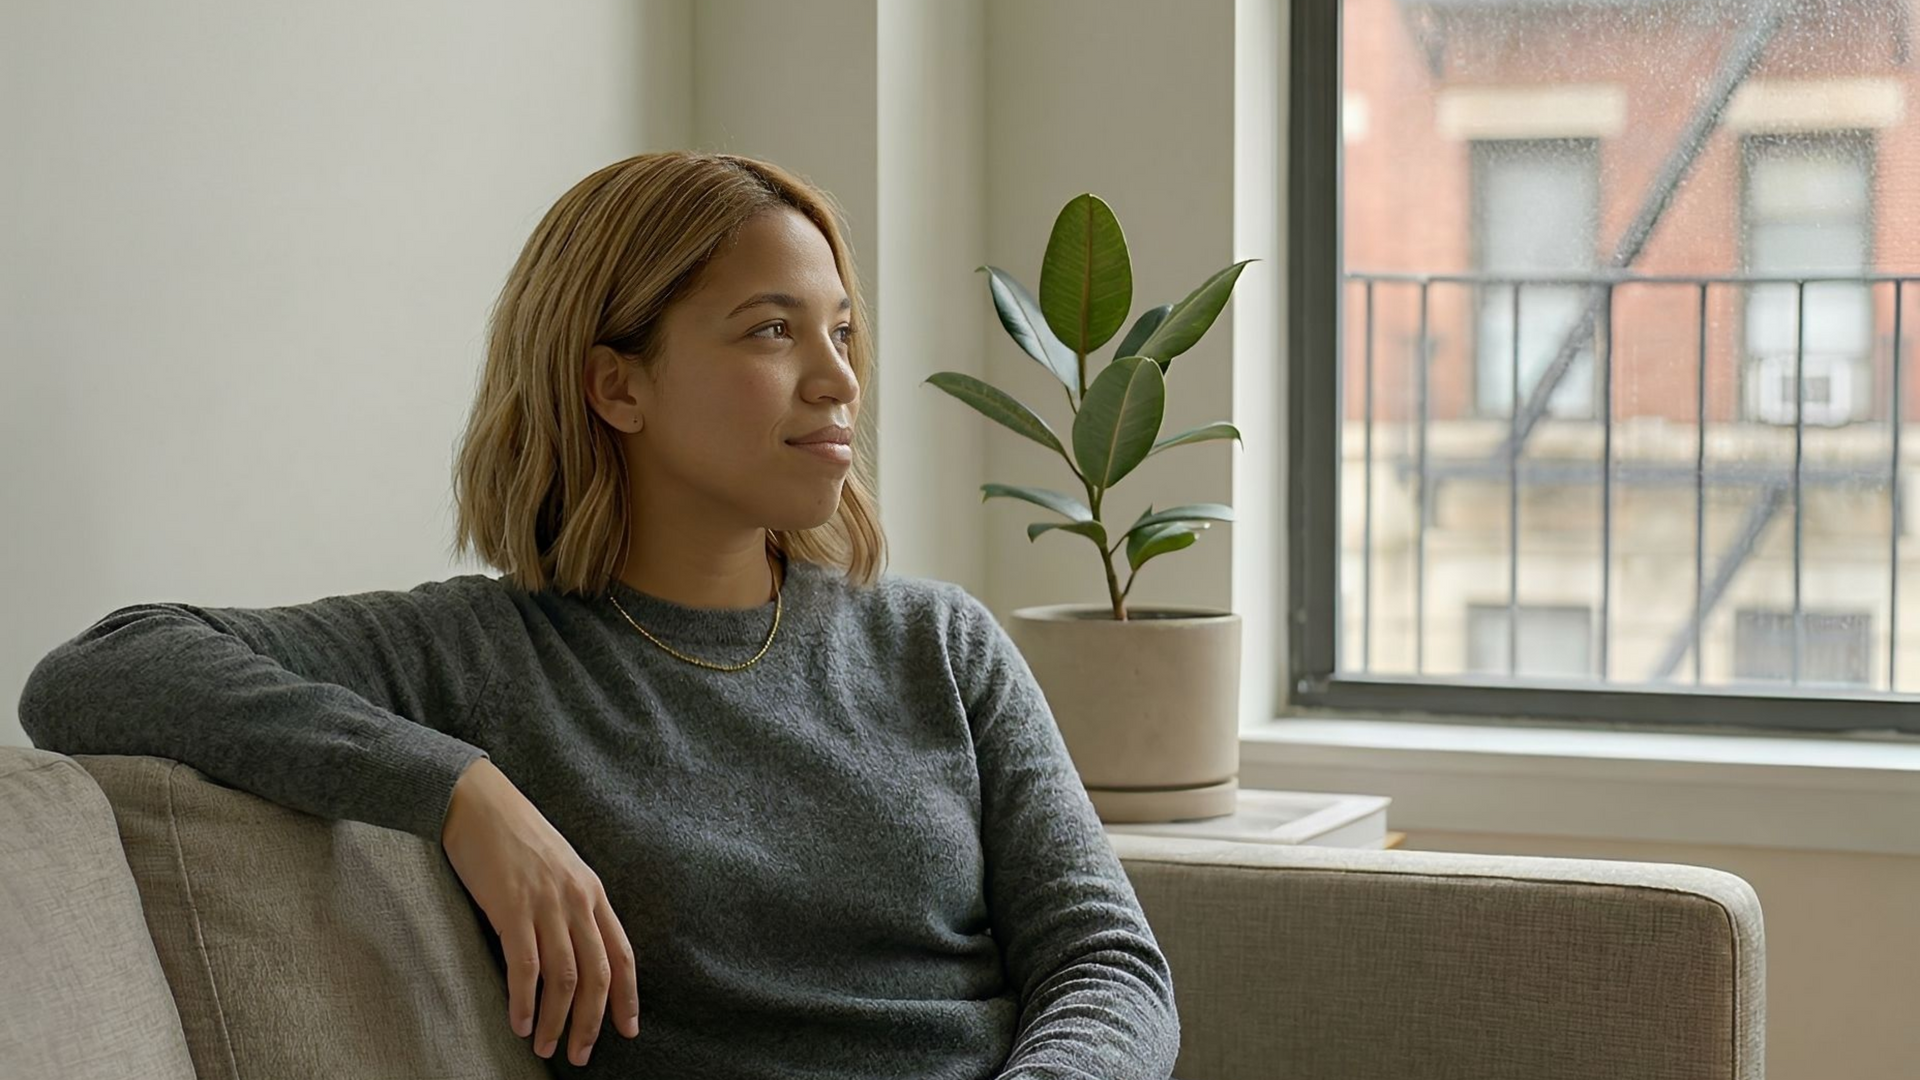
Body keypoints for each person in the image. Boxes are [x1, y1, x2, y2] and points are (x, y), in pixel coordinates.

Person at [17, 150, 1179, 1079]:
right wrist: (462, 794)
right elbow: (99, 670)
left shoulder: (940, 644)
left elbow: (1108, 965)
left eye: (840, 330)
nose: (839, 380)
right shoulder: (483, 656)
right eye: (772, 329)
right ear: (616, 384)